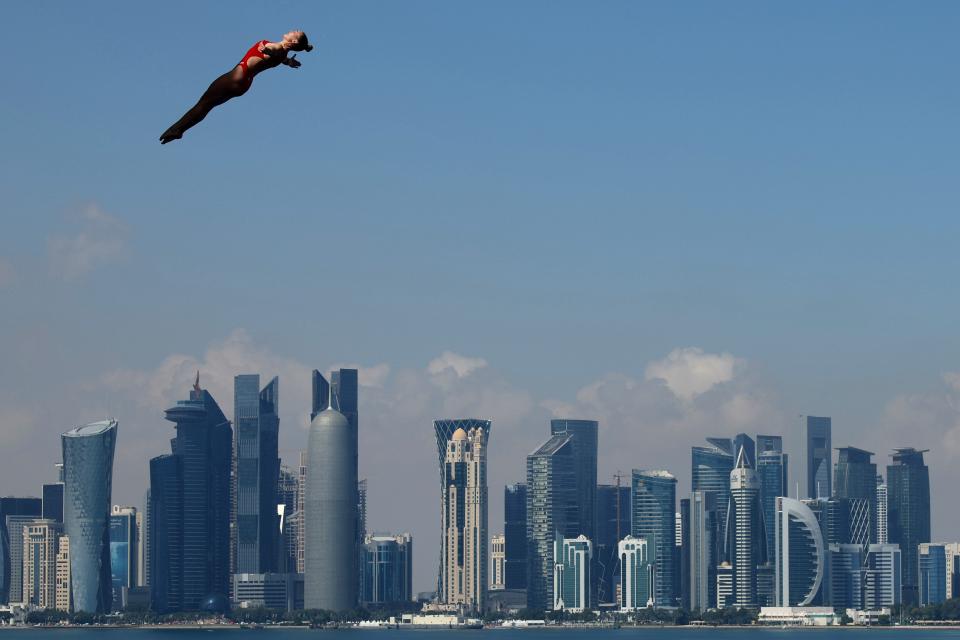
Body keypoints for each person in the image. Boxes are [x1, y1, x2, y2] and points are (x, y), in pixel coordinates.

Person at [159, 30, 313, 144]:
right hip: (244, 84)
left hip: (236, 76)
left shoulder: (277, 49)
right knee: (207, 106)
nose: (293, 30)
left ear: (293, 42)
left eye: (296, 32)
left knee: (203, 104)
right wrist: (289, 62)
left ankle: (177, 130)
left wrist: (267, 51)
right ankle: (179, 130)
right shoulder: (282, 54)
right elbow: (280, 58)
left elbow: (271, 53)